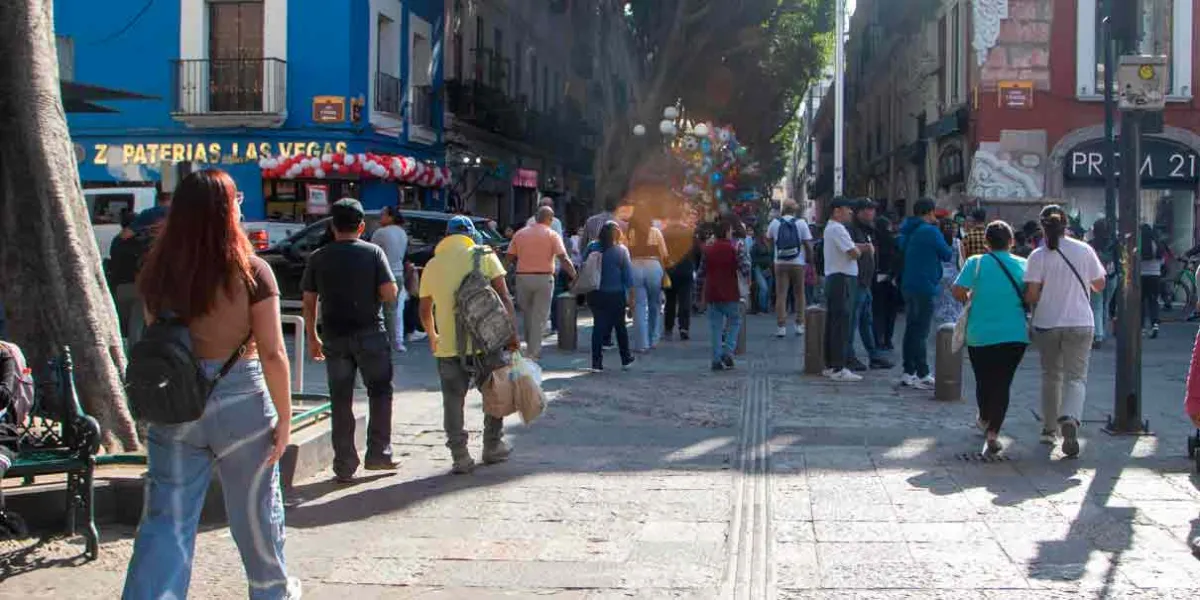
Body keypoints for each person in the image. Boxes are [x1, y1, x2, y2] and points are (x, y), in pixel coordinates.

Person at [122, 169, 298, 599]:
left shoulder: (158, 272)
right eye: (236, 197)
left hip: (176, 401)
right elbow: (273, 351)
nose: (240, 202)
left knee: (168, 517)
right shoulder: (253, 271)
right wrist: (285, 417)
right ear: (226, 209)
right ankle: (271, 592)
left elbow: (160, 338)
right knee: (256, 512)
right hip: (241, 400)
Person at [302, 199, 399, 483]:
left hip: (334, 336)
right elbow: (390, 292)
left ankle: (344, 464)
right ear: (360, 226)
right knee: (379, 393)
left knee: (341, 399)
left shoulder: (318, 257)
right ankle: (378, 454)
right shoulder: (373, 253)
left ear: (333, 227)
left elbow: (309, 303)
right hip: (371, 334)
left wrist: (312, 337)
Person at [419, 216, 519, 474]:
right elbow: (504, 296)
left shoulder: (432, 264)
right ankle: (492, 446)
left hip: (449, 347)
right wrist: (512, 335)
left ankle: (460, 456)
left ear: (446, 236)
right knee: (495, 392)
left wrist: (432, 335)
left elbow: (424, 308)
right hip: (487, 341)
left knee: (453, 400)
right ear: (471, 234)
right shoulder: (484, 255)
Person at [1024, 205, 1106, 457]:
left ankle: (1049, 430)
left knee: (1051, 376)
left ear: (1042, 226)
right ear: (1067, 223)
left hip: (1048, 322)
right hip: (1080, 321)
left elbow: (1032, 294)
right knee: (1076, 377)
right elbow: (1100, 284)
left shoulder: (1038, 255)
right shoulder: (1084, 249)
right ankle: (1070, 417)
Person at [952, 221, 1029, 456]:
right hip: (1014, 333)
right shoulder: (1023, 264)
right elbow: (1031, 294)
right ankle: (994, 432)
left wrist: (972, 297)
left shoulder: (975, 263)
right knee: (1003, 382)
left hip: (980, 333)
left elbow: (957, 291)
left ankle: (985, 417)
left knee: (983, 380)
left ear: (986, 242)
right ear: (1011, 242)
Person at [507, 206, 576, 360]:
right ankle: (533, 352)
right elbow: (563, 258)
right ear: (549, 219)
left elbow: (510, 256)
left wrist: (507, 273)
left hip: (523, 278)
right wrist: (574, 275)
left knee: (527, 314)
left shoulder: (520, 234)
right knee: (539, 317)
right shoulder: (552, 235)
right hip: (544, 279)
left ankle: (530, 347)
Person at [898, 198, 953, 390]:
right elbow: (946, 254)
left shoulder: (907, 229)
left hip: (909, 283)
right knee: (921, 331)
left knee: (911, 329)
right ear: (929, 212)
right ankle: (922, 372)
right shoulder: (930, 231)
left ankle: (908, 371)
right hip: (925, 285)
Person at [822, 198, 870, 382]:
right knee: (842, 323)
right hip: (842, 278)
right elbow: (852, 253)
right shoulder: (837, 229)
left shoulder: (831, 229)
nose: (850, 212)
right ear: (836, 211)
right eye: (847, 209)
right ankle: (839, 366)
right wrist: (862, 250)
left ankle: (831, 363)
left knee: (834, 322)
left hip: (836, 277)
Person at [698, 216, 749, 371]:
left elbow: (701, 273)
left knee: (715, 327)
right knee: (734, 322)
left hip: (712, 292)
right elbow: (745, 268)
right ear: (727, 232)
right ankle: (728, 352)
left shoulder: (708, 249)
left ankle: (715, 358)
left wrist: (698, 295)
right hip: (730, 291)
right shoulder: (735, 248)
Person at [584, 221, 635, 371]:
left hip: (595, 292)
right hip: (616, 293)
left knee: (598, 326)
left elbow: (583, 264)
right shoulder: (621, 251)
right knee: (620, 327)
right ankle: (625, 359)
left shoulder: (592, 247)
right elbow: (628, 278)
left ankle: (596, 362)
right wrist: (631, 300)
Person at [846, 199, 891, 370]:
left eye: (872, 210)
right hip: (856, 282)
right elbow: (850, 250)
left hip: (866, 282)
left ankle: (874, 355)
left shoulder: (869, 230)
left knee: (867, 321)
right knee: (853, 321)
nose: (871, 213)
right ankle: (848, 356)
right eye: (867, 210)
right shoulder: (852, 230)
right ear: (858, 212)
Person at [766, 200, 814, 338]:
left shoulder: (775, 223)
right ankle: (799, 324)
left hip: (780, 262)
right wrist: (810, 261)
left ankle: (781, 326)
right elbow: (808, 244)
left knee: (781, 295)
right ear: (795, 210)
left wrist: (774, 253)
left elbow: (768, 240)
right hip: (798, 262)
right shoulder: (801, 223)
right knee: (800, 294)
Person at [626, 210, 669, 352]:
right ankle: (653, 339)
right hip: (653, 266)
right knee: (654, 304)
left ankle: (641, 344)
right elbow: (664, 255)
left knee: (639, 306)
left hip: (635, 266)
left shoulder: (630, 233)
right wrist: (664, 272)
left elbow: (627, 253)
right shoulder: (656, 232)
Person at [373, 206, 410, 353]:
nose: (380, 218)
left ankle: (379, 340)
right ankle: (395, 342)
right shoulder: (402, 233)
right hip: (398, 274)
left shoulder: (380, 233)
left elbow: (372, 252)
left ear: (390, 217)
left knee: (376, 309)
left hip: (382, 274)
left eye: (382, 215)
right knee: (392, 310)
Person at [108, 210, 145, 344]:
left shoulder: (117, 242)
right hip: (137, 287)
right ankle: (133, 354)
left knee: (121, 324)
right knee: (136, 326)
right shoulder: (142, 241)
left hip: (119, 288)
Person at [663, 216, 698, 341]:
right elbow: (697, 251)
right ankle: (684, 328)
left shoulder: (665, 233)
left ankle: (668, 327)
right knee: (685, 300)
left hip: (670, 270)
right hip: (686, 270)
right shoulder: (689, 233)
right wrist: (695, 266)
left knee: (670, 300)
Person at [872, 215, 900, 351]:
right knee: (891, 312)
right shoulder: (893, 241)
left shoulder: (874, 241)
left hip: (877, 279)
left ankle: (878, 339)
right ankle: (888, 339)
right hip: (892, 280)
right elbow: (899, 259)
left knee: (878, 311)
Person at [933, 218, 966, 326]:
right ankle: (953, 327)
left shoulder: (937, 241)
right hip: (954, 276)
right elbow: (962, 261)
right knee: (954, 303)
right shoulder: (958, 242)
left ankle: (942, 327)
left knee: (941, 303)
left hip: (940, 274)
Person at [1089, 218, 1116, 348]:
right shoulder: (1114, 244)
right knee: (1106, 304)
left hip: (1096, 277)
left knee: (1096, 305)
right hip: (1112, 277)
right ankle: (1102, 332)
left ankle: (1098, 334)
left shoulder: (1091, 244)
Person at [1140, 223, 1165, 339]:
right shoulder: (1157, 244)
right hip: (1155, 275)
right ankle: (1155, 324)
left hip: (1142, 275)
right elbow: (1162, 262)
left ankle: (1142, 327)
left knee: (1141, 302)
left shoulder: (1141, 244)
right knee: (1153, 301)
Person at [750, 226, 774, 314]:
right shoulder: (756, 244)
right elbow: (753, 257)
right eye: (764, 231)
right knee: (764, 288)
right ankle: (761, 308)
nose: (766, 233)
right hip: (758, 268)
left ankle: (765, 308)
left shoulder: (769, 243)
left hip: (768, 268)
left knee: (768, 288)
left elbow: (772, 256)